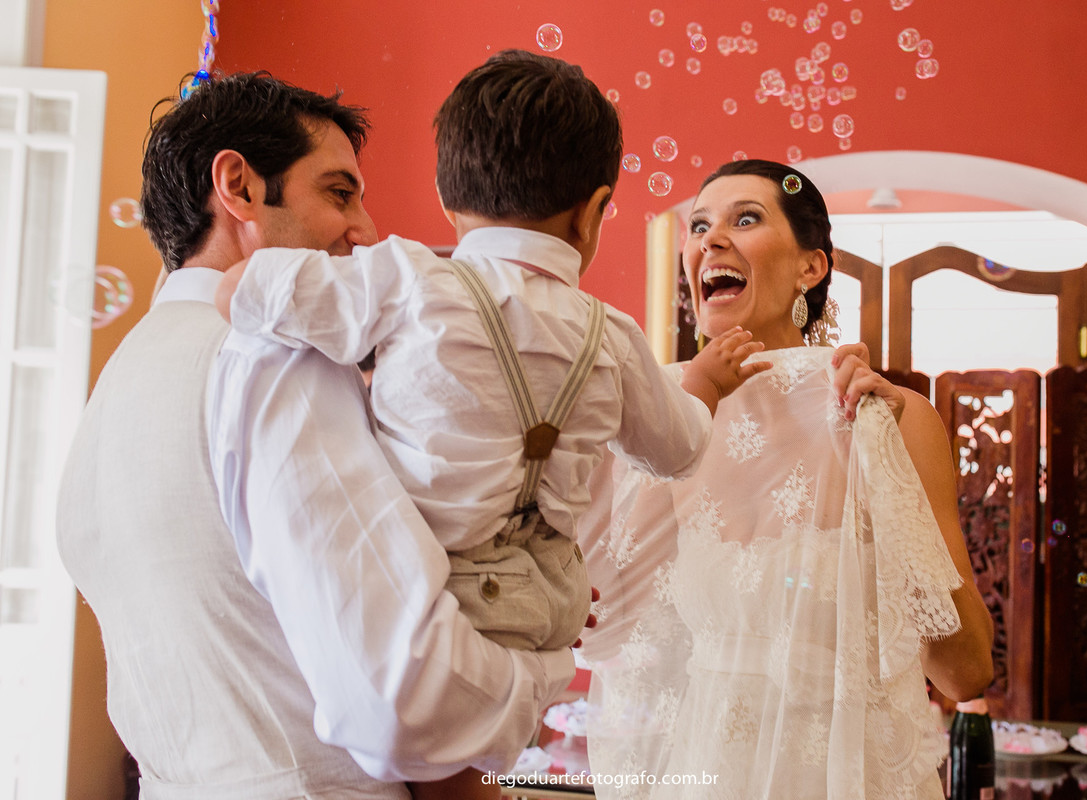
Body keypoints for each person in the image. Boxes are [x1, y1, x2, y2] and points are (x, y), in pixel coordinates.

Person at [215, 50, 769, 800]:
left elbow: (245, 291)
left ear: (448, 197)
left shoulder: (407, 279)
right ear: (593, 210)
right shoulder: (613, 336)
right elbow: (679, 449)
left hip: (436, 587)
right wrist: (702, 380)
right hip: (549, 608)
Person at [55, 71, 580, 800]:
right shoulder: (273, 356)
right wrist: (549, 670)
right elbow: (403, 701)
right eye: (339, 193)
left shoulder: (111, 391)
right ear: (238, 186)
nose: (366, 230)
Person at [577, 159, 995, 799]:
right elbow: (593, 624)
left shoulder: (886, 419)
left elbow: (966, 671)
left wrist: (884, 474)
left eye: (745, 219)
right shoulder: (649, 416)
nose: (709, 239)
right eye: (698, 225)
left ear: (812, 267)